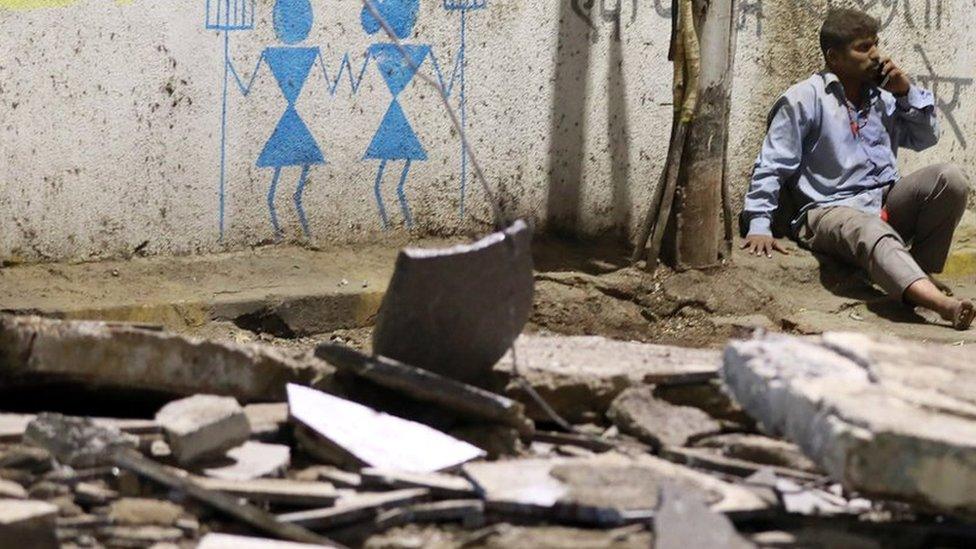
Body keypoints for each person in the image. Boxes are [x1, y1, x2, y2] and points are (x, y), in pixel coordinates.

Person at [741, 7, 974, 330]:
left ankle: (916, 274)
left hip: (881, 200)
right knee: (868, 228)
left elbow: (925, 138)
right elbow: (772, 164)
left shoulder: (883, 95)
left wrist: (906, 92)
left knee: (951, 179)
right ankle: (941, 304)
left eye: (875, 44)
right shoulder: (803, 99)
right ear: (834, 57)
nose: (876, 54)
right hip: (828, 209)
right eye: (864, 47)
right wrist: (759, 225)